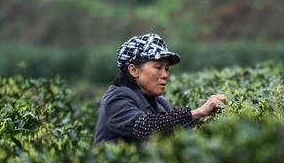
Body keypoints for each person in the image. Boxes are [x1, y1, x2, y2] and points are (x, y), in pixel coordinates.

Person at [93, 33, 229, 145]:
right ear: (134, 70)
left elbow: (171, 130)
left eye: (167, 69)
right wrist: (198, 112)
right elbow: (144, 127)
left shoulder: (161, 103)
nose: (165, 75)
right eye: (158, 68)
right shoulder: (116, 99)